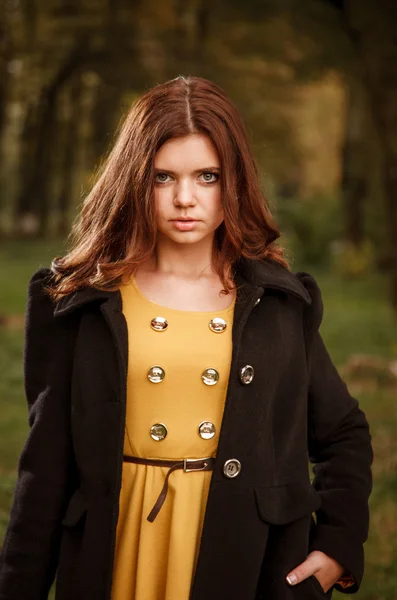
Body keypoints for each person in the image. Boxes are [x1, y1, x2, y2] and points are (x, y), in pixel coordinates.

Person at [0, 75, 372, 600]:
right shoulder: (77, 301)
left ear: (234, 180)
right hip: (117, 549)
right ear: (134, 179)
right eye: (162, 177)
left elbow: (344, 433)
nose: (184, 198)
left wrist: (337, 544)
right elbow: (45, 467)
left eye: (207, 176)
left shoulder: (277, 305)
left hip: (242, 552)